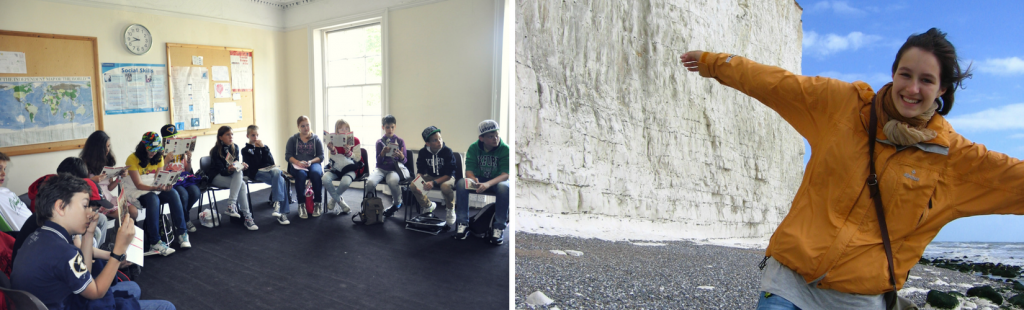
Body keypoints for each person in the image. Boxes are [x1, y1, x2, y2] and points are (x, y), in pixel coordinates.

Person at [676, 28, 1024, 309]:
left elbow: (1016, 180)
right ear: (893, 73)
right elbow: (775, 83)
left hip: (860, 301)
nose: (912, 88)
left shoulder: (955, 159)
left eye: (927, 80)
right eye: (906, 74)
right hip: (789, 285)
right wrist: (715, 63)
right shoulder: (843, 106)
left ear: (942, 89)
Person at [10, 173, 175, 309]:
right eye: (84, 206)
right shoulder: (64, 252)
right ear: (60, 207)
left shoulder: (39, 236)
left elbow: (85, 273)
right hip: (68, 303)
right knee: (166, 306)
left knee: (133, 288)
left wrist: (88, 235)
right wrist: (118, 250)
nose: (90, 213)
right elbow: (96, 292)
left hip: (57, 300)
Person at [125, 132, 186, 256]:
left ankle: (182, 233)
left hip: (153, 187)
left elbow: (159, 178)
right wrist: (156, 187)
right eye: (150, 150)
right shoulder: (132, 158)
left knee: (173, 193)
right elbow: (138, 185)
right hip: (136, 191)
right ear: (143, 146)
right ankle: (155, 242)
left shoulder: (159, 157)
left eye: (155, 150)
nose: (153, 153)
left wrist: (166, 185)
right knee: (153, 198)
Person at [452, 120, 509, 245]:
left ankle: (498, 227)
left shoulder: (505, 149)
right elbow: (469, 171)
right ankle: (462, 223)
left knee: (504, 187)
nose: (495, 139)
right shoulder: (473, 148)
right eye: (491, 136)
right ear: (481, 138)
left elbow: (505, 175)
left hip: (497, 181)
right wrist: (473, 178)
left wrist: (488, 184)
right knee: (462, 183)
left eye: (497, 135)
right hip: (479, 180)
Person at [206, 126, 258, 230]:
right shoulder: (215, 151)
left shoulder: (235, 147)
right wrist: (229, 169)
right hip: (216, 177)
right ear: (220, 137)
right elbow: (221, 171)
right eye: (228, 134)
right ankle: (246, 217)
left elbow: (235, 164)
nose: (231, 137)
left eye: (232, 134)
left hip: (230, 176)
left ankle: (236, 209)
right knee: (241, 182)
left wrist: (241, 166)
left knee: (241, 180)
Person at [80, 130, 139, 221]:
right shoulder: (84, 164)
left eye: (109, 146)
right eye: (105, 147)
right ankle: (120, 233)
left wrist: (119, 178)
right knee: (123, 215)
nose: (108, 150)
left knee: (133, 212)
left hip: (108, 197)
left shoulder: (107, 162)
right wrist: (92, 181)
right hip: (96, 200)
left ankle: (122, 231)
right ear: (97, 148)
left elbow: (110, 188)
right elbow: (80, 187)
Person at [242, 125, 290, 225]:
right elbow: (253, 165)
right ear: (247, 136)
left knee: (277, 172)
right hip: (256, 173)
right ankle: (282, 212)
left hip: (268, 171)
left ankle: (277, 204)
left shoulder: (263, 147)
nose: (255, 138)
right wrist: (255, 149)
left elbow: (271, 162)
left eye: (257, 135)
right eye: (253, 135)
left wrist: (263, 148)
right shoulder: (245, 150)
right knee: (281, 180)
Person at [364, 114, 408, 217]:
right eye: (387, 127)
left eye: (392, 127)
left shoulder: (400, 141)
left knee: (392, 182)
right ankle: (369, 206)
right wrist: (383, 153)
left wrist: (401, 156)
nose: (390, 130)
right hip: (381, 169)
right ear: (383, 127)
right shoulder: (379, 142)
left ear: (395, 127)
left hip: (394, 169)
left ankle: (397, 204)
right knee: (370, 182)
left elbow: (405, 161)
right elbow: (378, 162)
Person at [160, 124, 202, 233]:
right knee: (183, 195)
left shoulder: (181, 150)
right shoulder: (160, 153)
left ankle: (182, 215)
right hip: (171, 179)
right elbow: (159, 172)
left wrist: (188, 159)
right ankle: (186, 220)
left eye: (175, 136)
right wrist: (166, 160)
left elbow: (187, 170)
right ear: (165, 139)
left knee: (196, 192)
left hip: (183, 177)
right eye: (170, 137)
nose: (174, 139)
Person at [412, 126, 456, 223]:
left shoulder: (447, 151)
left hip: (446, 177)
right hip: (431, 175)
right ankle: (428, 206)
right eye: (435, 140)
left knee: (445, 187)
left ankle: (450, 209)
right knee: (413, 185)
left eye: (440, 138)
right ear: (427, 143)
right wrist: (418, 182)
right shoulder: (423, 152)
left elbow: (449, 174)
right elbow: (421, 170)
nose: (439, 141)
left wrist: (433, 182)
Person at [285, 116, 325, 219]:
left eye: (307, 125)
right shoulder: (293, 139)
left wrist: (310, 161)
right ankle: (301, 205)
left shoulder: (316, 139)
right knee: (301, 175)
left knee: (315, 174)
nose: (306, 128)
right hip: (297, 165)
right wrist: (298, 162)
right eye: (303, 126)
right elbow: (288, 156)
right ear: (298, 127)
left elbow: (321, 157)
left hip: (313, 163)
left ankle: (317, 203)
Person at [322, 119, 364, 216]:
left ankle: (333, 200)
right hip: (336, 168)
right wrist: (332, 149)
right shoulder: (334, 141)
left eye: (346, 128)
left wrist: (349, 152)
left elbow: (357, 158)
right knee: (325, 179)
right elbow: (331, 159)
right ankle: (340, 202)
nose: (345, 131)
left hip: (350, 168)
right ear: (337, 131)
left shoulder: (355, 140)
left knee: (345, 182)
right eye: (341, 129)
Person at [0, 152, 31, 232]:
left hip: (39, 228)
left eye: (4, 169)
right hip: (28, 238)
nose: (4, 173)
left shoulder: (5, 191)